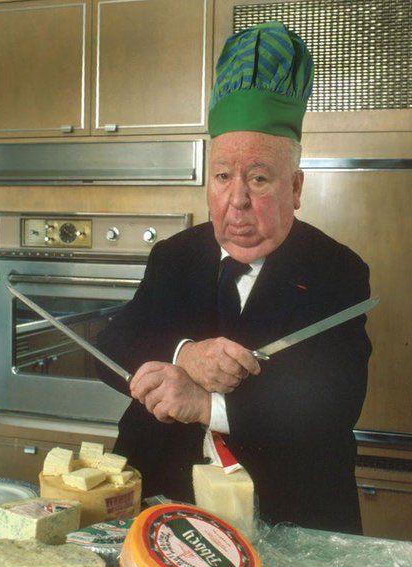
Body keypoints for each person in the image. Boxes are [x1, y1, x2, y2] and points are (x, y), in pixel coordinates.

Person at [96, 23, 372, 534]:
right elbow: (114, 343)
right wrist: (184, 355)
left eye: (259, 178)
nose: (237, 200)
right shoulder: (174, 255)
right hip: (161, 503)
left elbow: (334, 401)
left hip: (286, 516)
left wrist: (207, 404)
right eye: (223, 177)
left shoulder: (338, 270)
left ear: (295, 187)